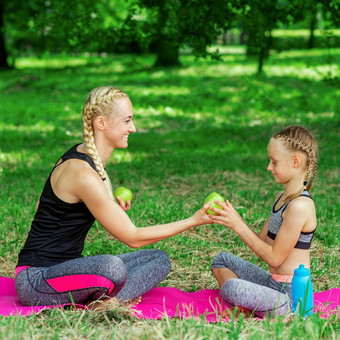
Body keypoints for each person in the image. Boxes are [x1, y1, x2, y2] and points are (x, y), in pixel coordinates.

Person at [15, 86, 212, 307]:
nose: (134, 128)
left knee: (157, 258)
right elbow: (133, 237)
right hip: (37, 281)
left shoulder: (90, 161)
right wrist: (194, 220)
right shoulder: (82, 173)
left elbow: (43, 205)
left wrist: (110, 207)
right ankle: (110, 298)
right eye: (127, 121)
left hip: (69, 270)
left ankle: (108, 301)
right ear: (101, 123)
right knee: (112, 268)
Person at [209, 125, 318, 318]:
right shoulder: (281, 197)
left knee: (234, 288)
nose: (269, 167)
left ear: (296, 160)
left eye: (274, 162)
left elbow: (274, 258)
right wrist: (232, 219)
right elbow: (262, 242)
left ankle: (248, 305)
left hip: (291, 298)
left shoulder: (300, 206)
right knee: (221, 260)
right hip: (272, 283)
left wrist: (238, 224)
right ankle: (249, 305)